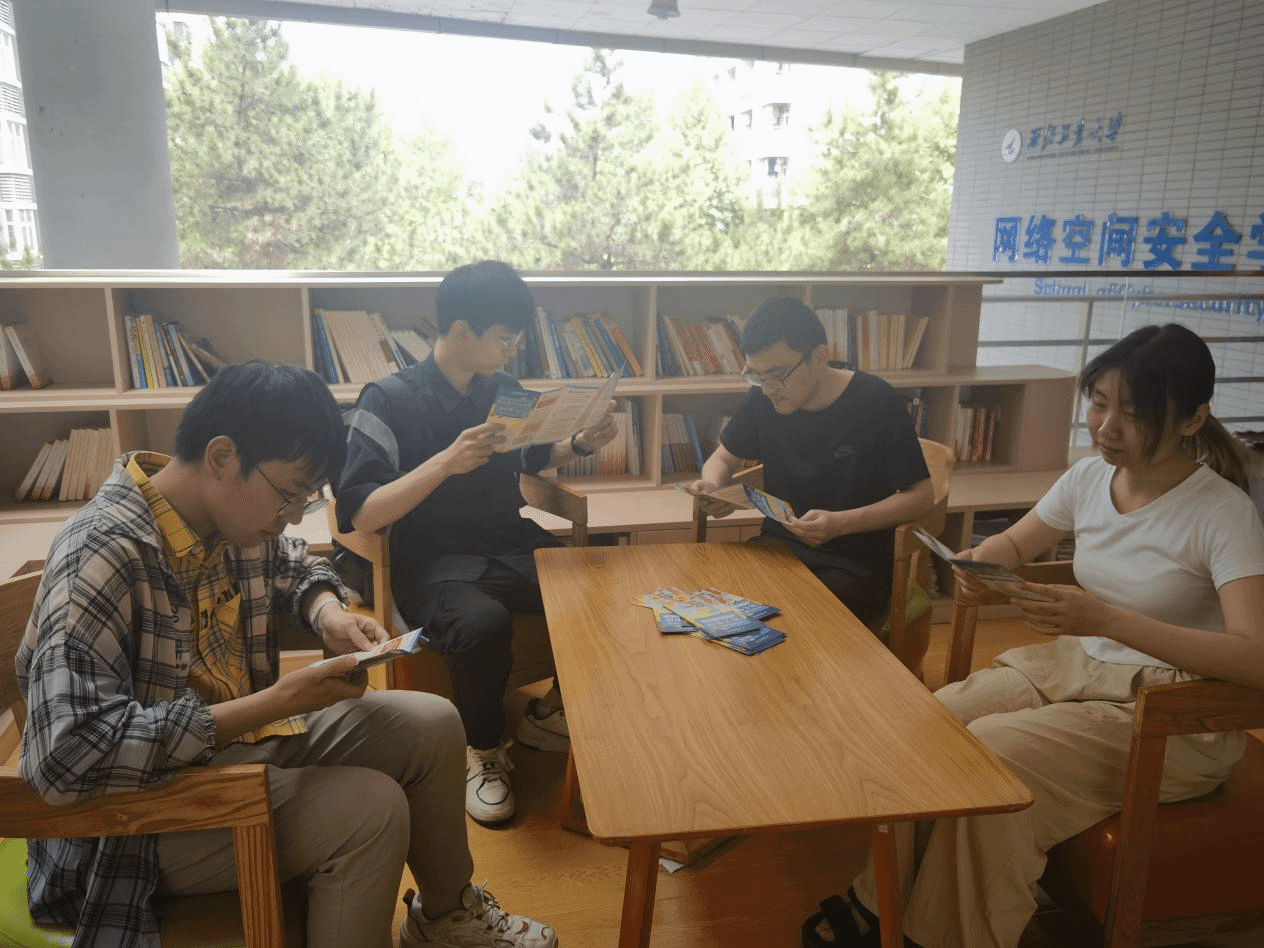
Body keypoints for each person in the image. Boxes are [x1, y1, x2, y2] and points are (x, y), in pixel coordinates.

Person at [16, 361, 557, 948]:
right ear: (223, 457)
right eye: (290, 493)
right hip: (129, 825)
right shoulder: (102, 554)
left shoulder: (226, 516)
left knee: (433, 723)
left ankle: (445, 916)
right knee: (371, 810)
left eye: (307, 497)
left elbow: (295, 564)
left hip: (225, 751)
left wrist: (327, 614)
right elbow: (65, 757)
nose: (295, 515)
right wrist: (274, 703)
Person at [814, 322, 1264, 948]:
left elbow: (1254, 659)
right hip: (1078, 668)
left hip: (1175, 710)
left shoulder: (1222, 512)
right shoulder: (1089, 479)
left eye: (1134, 414)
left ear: (1193, 419)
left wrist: (1105, 619)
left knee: (995, 755)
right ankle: (879, 904)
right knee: (930, 725)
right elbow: (1017, 543)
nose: (1106, 427)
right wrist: (979, 564)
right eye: (1099, 404)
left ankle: (943, 937)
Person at [335, 260, 617, 825]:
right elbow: (360, 511)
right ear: (463, 330)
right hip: (430, 559)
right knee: (482, 623)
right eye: (505, 339)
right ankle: (482, 750)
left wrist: (580, 443)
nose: (512, 350)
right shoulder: (387, 399)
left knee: (599, 584)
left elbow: (529, 455)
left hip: (506, 541)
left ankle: (548, 715)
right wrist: (445, 462)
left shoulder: (503, 389)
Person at [685, 296, 934, 632]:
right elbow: (722, 458)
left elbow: (922, 496)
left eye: (777, 375)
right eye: (756, 376)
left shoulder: (876, 401)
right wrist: (713, 486)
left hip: (854, 565)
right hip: (776, 550)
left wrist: (842, 523)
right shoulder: (763, 397)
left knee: (793, 621)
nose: (769, 389)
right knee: (715, 604)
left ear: (819, 357)